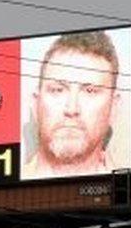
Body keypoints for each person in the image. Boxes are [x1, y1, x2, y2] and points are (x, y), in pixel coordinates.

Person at [23, 31, 121, 179]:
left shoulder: (128, 191)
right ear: (36, 104)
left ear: (114, 107)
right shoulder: (0, 187)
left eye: (90, 91)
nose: (72, 109)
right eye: (57, 90)